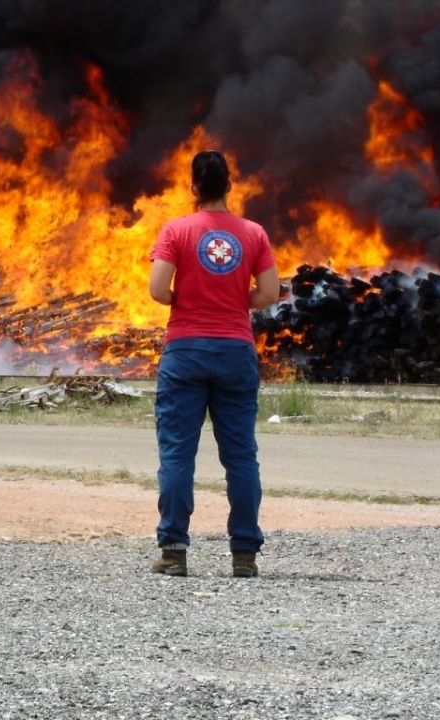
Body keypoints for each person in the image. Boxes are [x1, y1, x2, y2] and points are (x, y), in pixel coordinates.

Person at [147, 150, 280, 578]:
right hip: (235, 351)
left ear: (193, 188)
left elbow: (156, 290)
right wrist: (235, 301)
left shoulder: (176, 230)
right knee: (241, 456)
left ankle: (173, 552)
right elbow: (270, 293)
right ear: (229, 185)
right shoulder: (253, 233)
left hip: (185, 350)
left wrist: (183, 300)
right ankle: (244, 554)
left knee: (177, 454)